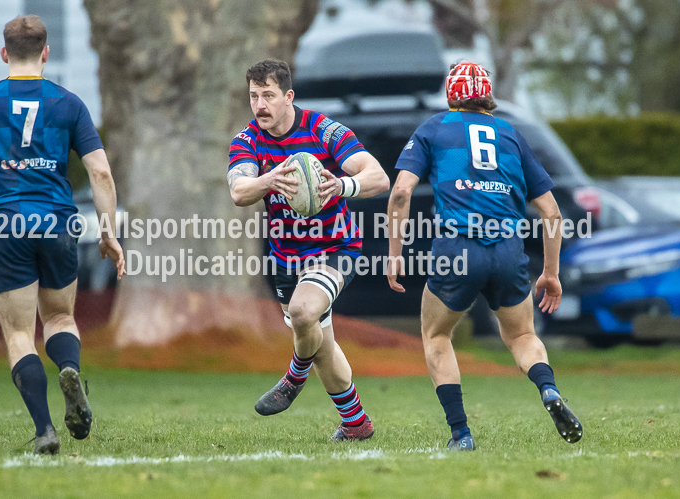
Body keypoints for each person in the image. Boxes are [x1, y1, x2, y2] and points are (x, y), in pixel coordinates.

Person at [0, 15, 126, 455]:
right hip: (59, 222)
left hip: (7, 225)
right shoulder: (68, 103)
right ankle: (69, 368)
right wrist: (109, 232)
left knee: (20, 334)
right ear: (46, 53)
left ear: (4, 54)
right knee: (60, 318)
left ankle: (45, 429)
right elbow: (99, 170)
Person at [386, 62, 582, 450]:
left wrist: (396, 252)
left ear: (451, 94)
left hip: (457, 247)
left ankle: (461, 433)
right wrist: (551, 273)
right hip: (508, 249)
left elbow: (401, 192)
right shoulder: (511, 133)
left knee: (437, 334)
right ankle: (547, 389)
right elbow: (552, 212)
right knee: (522, 335)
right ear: (488, 96)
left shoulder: (435, 127)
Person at [228, 59, 389, 441]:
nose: (260, 105)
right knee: (321, 344)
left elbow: (377, 176)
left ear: (288, 96)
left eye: (268, 95)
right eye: (254, 96)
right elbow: (238, 191)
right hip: (286, 257)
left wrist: (343, 186)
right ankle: (355, 423)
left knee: (303, 313)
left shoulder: (324, 130)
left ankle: (292, 377)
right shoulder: (248, 140)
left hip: (335, 248)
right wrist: (269, 178)